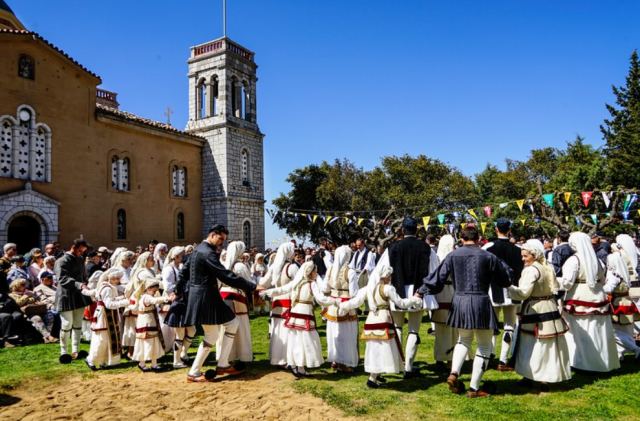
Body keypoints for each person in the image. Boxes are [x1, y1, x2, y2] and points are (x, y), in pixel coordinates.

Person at [417, 226, 512, 398]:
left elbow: (438, 277)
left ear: (461, 239)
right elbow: (505, 278)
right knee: (484, 346)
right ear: (478, 238)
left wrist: (421, 290)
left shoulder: (453, 255)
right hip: (481, 300)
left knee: (463, 340)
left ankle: (454, 372)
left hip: (459, 300)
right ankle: (474, 388)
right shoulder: (488, 256)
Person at [183, 225, 258, 382]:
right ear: (212, 234)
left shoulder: (199, 249)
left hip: (204, 296)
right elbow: (224, 275)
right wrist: (252, 286)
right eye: (220, 238)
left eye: (224, 240)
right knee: (213, 333)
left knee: (231, 324)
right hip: (206, 297)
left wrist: (178, 291)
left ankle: (222, 364)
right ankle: (195, 372)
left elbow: (184, 270)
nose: (222, 243)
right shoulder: (207, 252)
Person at [340, 261, 422, 388]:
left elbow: (356, 302)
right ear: (385, 276)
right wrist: (415, 299)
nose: (390, 278)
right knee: (383, 349)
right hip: (383, 320)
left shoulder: (369, 289)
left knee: (374, 349)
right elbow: (402, 304)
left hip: (372, 320)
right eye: (389, 275)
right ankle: (372, 378)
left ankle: (375, 376)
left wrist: (343, 306)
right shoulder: (388, 289)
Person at [507, 240, 571, 388]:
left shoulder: (530, 270)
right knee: (548, 344)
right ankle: (543, 376)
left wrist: (508, 287)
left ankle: (534, 375)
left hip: (535, 308)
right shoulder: (546, 267)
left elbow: (523, 293)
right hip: (550, 306)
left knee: (533, 343)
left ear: (534, 255)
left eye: (525, 256)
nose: (523, 259)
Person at [261, 261, 336, 377]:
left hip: (295, 313)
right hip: (305, 313)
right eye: (315, 271)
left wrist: (267, 292)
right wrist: (335, 301)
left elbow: (282, 290)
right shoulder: (312, 284)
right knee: (306, 341)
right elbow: (321, 299)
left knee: (295, 340)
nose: (316, 273)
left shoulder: (297, 283)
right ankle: (300, 367)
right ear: (310, 273)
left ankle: (296, 366)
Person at [559, 232, 619, 372]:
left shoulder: (574, 260)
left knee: (580, 333)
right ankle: (602, 362)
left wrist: (553, 282)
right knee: (600, 332)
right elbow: (603, 279)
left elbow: (567, 283)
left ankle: (582, 363)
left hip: (579, 298)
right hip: (598, 297)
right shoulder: (597, 260)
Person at [388, 217, 431, 378]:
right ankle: (408, 367)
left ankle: (398, 363)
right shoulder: (425, 247)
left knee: (397, 327)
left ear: (402, 229)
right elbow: (432, 272)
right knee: (414, 330)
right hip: (417, 291)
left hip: (397, 290)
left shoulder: (393, 247)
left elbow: (384, 270)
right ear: (417, 229)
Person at [483, 218, 523, 371]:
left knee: (492, 326)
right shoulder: (518, 249)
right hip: (512, 290)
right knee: (509, 326)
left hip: (494, 291)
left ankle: (489, 356)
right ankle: (503, 359)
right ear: (509, 230)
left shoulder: (488, 247)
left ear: (496, 230)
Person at [259, 242, 297, 367]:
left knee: (277, 329)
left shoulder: (273, 268)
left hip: (276, 302)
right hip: (289, 301)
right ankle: (288, 358)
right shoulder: (291, 268)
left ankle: (277, 357)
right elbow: (297, 285)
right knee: (288, 330)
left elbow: (263, 282)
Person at [217, 241, 255, 366]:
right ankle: (242, 355)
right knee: (241, 326)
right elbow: (248, 282)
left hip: (223, 296)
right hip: (237, 297)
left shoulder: (223, 265)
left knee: (226, 327)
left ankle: (227, 355)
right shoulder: (240, 266)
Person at [85, 268, 130, 370]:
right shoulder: (107, 288)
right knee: (101, 340)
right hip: (104, 316)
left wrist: (122, 297)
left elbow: (111, 299)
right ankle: (91, 359)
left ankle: (104, 361)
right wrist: (126, 302)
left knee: (107, 340)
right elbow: (109, 304)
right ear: (112, 278)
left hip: (106, 314)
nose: (119, 280)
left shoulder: (107, 287)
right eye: (117, 278)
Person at [323, 245, 358, 372]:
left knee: (333, 333)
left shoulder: (330, 270)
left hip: (333, 304)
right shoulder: (350, 272)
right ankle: (345, 362)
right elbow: (354, 293)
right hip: (346, 305)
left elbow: (324, 288)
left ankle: (334, 359)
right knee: (347, 334)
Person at [55, 239, 91, 363]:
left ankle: (75, 350)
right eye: (80, 250)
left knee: (77, 324)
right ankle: (63, 351)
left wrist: (86, 283)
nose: (81, 253)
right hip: (65, 295)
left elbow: (83, 275)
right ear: (73, 247)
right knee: (66, 324)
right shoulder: (61, 261)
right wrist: (79, 284)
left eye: (83, 251)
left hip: (79, 296)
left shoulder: (80, 260)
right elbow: (62, 278)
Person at [604, 242, 640, 361]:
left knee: (614, 331)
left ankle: (634, 348)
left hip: (618, 303)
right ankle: (620, 354)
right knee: (624, 330)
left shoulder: (615, 275)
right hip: (626, 301)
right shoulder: (623, 274)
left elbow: (608, 288)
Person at [132, 278, 171, 372]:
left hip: (148, 321)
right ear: (149, 288)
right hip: (147, 322)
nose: (155, 292)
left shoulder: (144, 296)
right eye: (154, 290)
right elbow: (154, 301)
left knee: (150, 342)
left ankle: (150, 364)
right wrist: (167, 298)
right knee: (149, 342)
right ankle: (148, 364)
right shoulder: (146, 297)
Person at [431, 234, 457, 369]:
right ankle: (447, 359)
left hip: (445, 294)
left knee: (445, 330)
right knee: (447, 330)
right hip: (447, 293)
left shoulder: (437, 258)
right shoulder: (450, 258)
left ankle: (444, 358)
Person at [123, 252, 156, 358]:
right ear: (145, 261)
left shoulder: (149, 271)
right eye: (151, 259)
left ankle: (144, 353)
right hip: (139, 303)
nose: (153, 261)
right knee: (136, 328)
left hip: (146, 302)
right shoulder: (143, 272)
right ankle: (132, 352)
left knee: (141, 328)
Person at [9, 278, 57, 343]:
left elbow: (35, 299)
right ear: (16, 286)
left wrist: (32, 299)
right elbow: (18, 303)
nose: (25, 286)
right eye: (22, 285)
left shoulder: (27, 292)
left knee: (49, 315)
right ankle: (49, 337)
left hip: (36, 310)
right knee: (37, 318)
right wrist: (27, 296)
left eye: (25, 284)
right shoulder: (12, 295)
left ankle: (48, 336)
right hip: (26, 313)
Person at [160, 246, 185, 353]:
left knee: (177, 328)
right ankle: (166, 348)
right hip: (172, 299)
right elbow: (167, 287)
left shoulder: (178, 267)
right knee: (169, 327)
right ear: (175, 256)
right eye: (182, 255)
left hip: (179, 298)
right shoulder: (168, 269)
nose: (183, 257)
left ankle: (175, 350)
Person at [34, 271, 59, 336]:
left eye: (51, 277)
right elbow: (44, 301)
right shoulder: (38, 288)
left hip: (60, 305)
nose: (51, 279)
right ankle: (53, 334)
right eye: (48, 278)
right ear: (42, 279)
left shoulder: (55, 287)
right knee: (56, 313)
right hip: (50, 308)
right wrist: (52, 305)